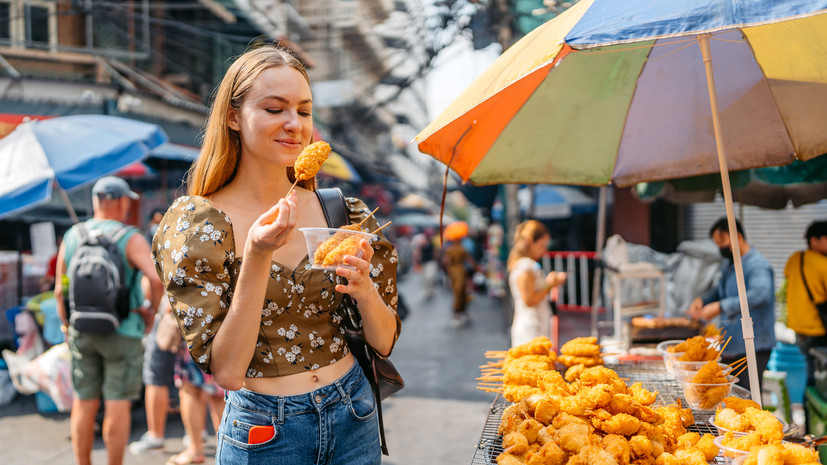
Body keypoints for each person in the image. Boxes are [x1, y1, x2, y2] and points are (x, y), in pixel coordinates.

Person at [151, 44, 400, 464]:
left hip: (354, 411)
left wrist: (364, 291)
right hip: (266, 431)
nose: (294, 124)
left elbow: (386, 341)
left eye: (303, 111)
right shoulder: (198, 225)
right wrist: (257, 254)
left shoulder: (342, 213)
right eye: (274, 109)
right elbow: (228, 372)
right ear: (233, 117)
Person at [54, 176, 164, 465]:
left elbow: (59, 290)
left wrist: (66, 326)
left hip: (81, 330)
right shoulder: (130, 237)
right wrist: (149, 312)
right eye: (126, 199)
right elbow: (155, 278)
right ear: (118, 201)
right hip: (124, 330)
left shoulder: (72, 235)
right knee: (118, 402)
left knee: (84, 401)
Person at [686, 217, 776, 392]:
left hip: (754, 346)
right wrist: (702, 300)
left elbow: (760, 294)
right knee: (731, 394)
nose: (720, 247)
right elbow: (719, 291)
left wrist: (721, 307)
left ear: (737, 237)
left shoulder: (757, 265)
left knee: (749, 396)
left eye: (722, 241)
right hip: (732, 345)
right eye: (717, 243)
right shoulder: (729, 265)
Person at [128, 290, 177, 456]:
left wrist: (152, 310)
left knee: (155, 377)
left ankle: (155, 435)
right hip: (194, 313)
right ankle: (197, 437)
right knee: (191, 381)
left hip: (168, 313)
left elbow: (155, 281)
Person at [506, 220, 567, 347]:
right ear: (530, 241)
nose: (544, 250)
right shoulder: (525, 266)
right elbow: (529, 300)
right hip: (530, 332)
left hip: (534, 328)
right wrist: (549, 285)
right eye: (542, 245)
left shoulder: (526, 265)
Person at [166, 344, 226, 465]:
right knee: (220, 390)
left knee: (190, 388)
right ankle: (224, 452)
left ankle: (195, 450)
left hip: (197, 333)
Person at [784, 220, 827, 384]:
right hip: (818, 330)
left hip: (799, 329)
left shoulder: (795, 258)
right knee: (819, 378)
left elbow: (788, 276)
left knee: (808, 372)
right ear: (814, 240)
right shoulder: (824, 264)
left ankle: (806, 407)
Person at [442, 236, 477, 326]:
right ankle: (458, 312)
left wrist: (448, 270)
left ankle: (459, 312)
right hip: (460, 271)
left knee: (459, 292)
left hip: (454, 272)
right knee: (460, 292)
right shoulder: (461, 249)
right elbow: (469, 259)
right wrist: (475, 267)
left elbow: (446, 261)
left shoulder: (450, 250)